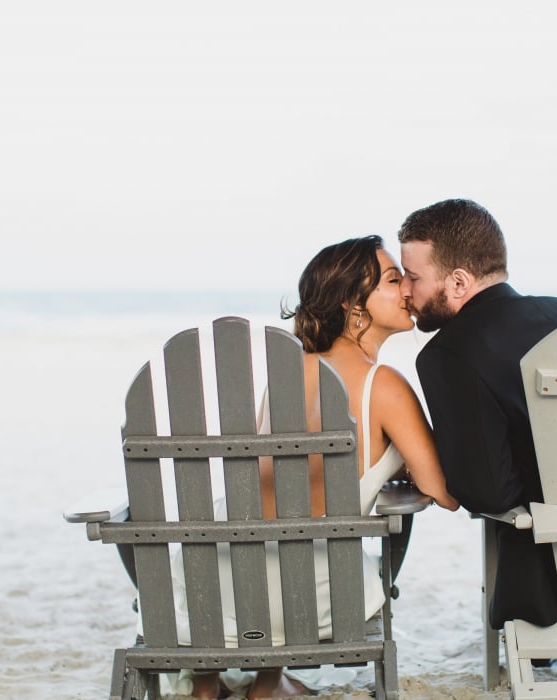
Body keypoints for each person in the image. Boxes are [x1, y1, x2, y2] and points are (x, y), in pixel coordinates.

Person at [184, 234, 458, 699]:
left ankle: (257, 681)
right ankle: (269, 682)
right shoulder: (384, 386)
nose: (409, 291)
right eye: (394, 281)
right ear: (354, 306)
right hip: (316, 601)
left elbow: (273, 484)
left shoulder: (289, 374)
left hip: (225, 593)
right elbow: (445, 494)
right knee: (330, 552)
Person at [396, 198, 557, 631]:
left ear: (458, 282)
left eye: (413, 277)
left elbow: (489, 496)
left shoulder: (449, 354)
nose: (405, 290)